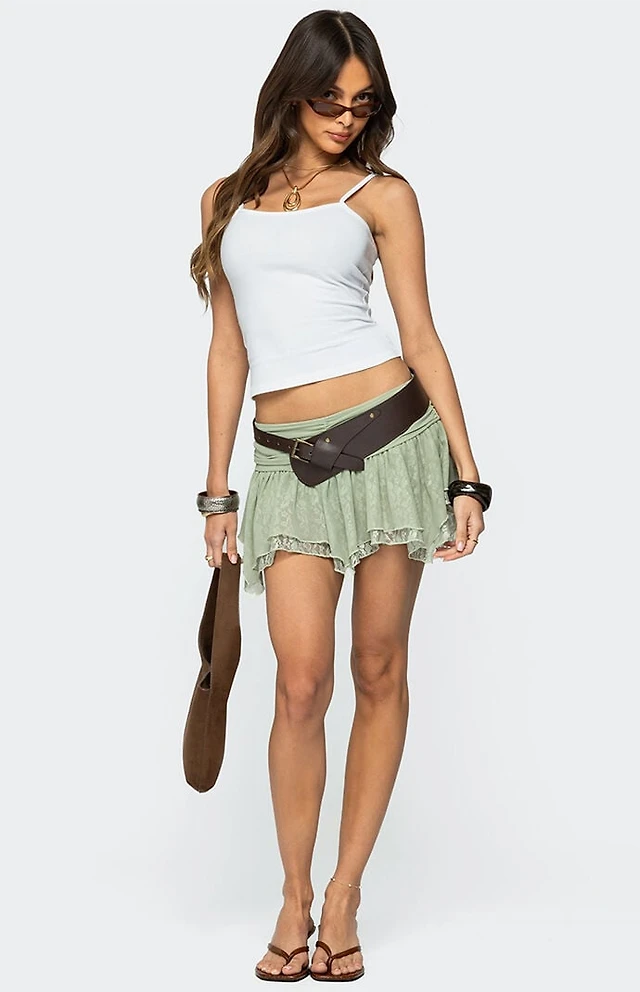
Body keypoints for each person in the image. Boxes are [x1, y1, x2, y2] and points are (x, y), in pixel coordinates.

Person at [189, 9, 491, 982]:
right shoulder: (224, 201)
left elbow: (422, 335)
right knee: (299, 683)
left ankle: (345, 896)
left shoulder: (383, 195)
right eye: (330, 99)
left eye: (363, 104)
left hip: (393, 440)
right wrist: (217, 492)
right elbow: (227, 350)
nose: (346, 117)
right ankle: (293, 896)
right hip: (285, 462)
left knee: (376, 666)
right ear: (292, 92)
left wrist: (467, 473)